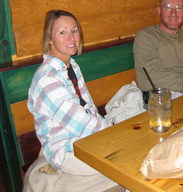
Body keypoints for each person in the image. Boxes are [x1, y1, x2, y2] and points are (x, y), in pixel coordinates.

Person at [26, 10, 124, 191]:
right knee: (127, 160)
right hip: (67, 150)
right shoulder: (47, 79)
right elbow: (80, 122)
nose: (71, 37)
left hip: (87, 140)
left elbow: (89, 109)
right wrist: (115, 133)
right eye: (62, 32)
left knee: (132, 153)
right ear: (50, 39)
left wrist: (112, 131)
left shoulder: (72, 66)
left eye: (74, 30)